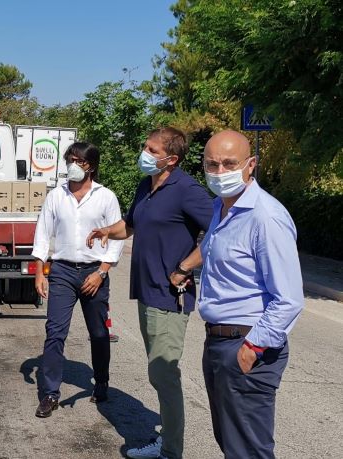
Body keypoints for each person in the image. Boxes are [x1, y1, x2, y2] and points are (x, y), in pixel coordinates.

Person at [172, 130, 304, 458]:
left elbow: (288, 298)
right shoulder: (221, 208)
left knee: (249, 450)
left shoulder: (265, 216)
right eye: (211, 164)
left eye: (229, 164)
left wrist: (251, 348)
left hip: (247, 344)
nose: (219, 172)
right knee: (233, 445)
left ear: (250, 165)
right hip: (220, 341)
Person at [87, 127, 213, 459]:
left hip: (171, 296)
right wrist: (105, 231)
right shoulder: (147, 185)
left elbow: (221, 232)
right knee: (158, 372)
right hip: (147, 292)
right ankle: (169, 443)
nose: (144, 152)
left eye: (152, 149)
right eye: (145, 145)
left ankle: (171, 451)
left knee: (163, 373)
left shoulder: (187, 190)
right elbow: (130, 224)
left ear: (171, 158)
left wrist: (186, 267)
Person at [32, 142, 124, 418]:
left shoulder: (106, 196)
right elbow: (42, 232)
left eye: (79, 161)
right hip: (62, 271)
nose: (73, 165)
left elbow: (117, 236)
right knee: (55, 331)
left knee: (98, 332)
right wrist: (39, 270)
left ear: (91, 166)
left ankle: (102, 381)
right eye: (70, 159)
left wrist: (102, 272)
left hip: (94, 272)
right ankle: (50, 393)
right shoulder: (56, 196)